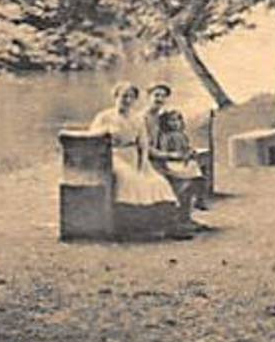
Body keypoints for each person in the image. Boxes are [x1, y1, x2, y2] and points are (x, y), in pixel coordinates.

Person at [89, 81, 188, 237]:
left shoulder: (137, 118)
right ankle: (130, 226)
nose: (127, 100)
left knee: (157, 181)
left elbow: (143, 144)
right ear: (116, 97)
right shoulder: (104, 117)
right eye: (123, 96)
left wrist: (143, 164)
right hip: (113, 156)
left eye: (131, 97)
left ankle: (163, 225)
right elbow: (92, 141)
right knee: (130, 180)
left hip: (133, 156)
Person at [152, 109, 208, 231]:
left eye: (178, 120)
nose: (175, 123)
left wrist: (190, 152)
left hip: (183, 162)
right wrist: (176, 154)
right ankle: (185, 214)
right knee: (186, 179)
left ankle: (199, 198)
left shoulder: (182, 135)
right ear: (166, 123)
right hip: (172, 163)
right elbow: (166, 152)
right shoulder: (166, 136)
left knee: (196, 168)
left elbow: (186, 148)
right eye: (172, 120)